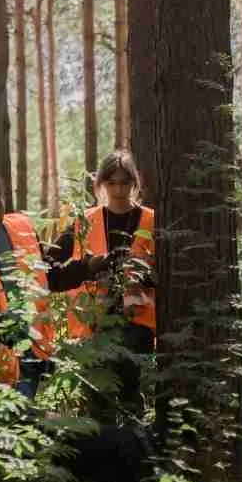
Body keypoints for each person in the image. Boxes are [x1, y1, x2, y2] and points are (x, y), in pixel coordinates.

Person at [0, 171, 109, 397]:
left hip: (33, 351)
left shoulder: (21, 227)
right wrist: (12, 331)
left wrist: (87, 267)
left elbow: (48, 276)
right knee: (10, 426)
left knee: (24, 424)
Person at [47, 150, 156, 420]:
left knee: (130, 390)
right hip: (92, 320)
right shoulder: (86, 221)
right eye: (112, 182)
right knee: (97, 398)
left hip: (137, 320)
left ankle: (136, 450)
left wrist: (142, 274)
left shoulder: (152, 220)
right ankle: (100, 453)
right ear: (102, 185)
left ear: (134, 183)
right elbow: (51, 257)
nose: (119, 189)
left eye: (125, 182)